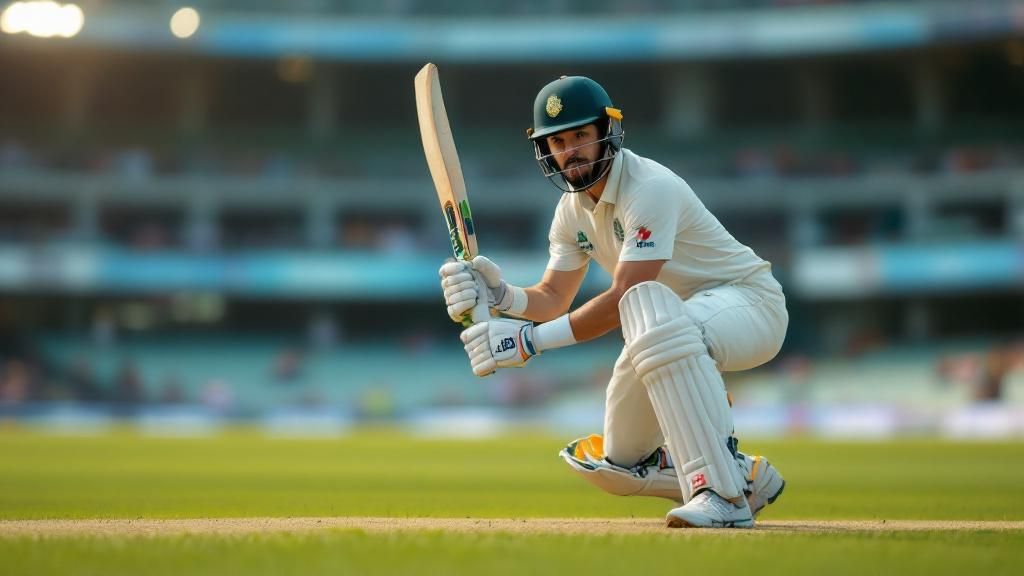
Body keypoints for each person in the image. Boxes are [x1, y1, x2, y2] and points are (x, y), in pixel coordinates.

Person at [439, 76, 788, 528]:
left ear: (607, 131)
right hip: (663, 331)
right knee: (620, 463)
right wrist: (502, 296)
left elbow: (624, 295)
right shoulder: (571, 212)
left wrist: (528, 342)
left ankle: (722, 496)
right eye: (558, 142)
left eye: (580, 136)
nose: (570, 151)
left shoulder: (649, 187)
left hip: (750, 306)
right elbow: (552, 298)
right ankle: (743, 476)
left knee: (652, 311)